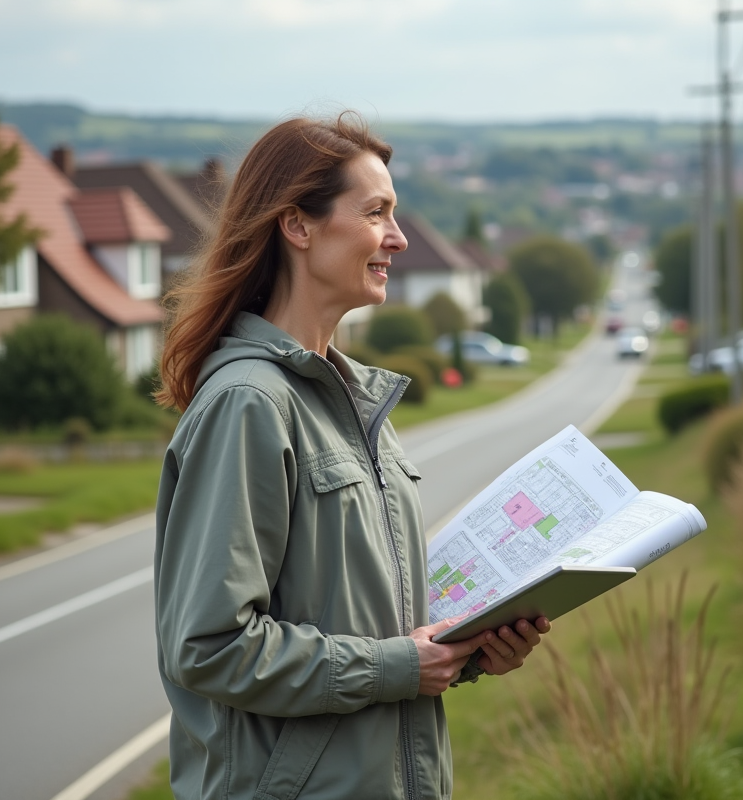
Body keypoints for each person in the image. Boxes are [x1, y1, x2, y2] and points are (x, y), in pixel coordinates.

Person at [152, 114, 550, 800]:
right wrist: (399, 666)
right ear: (298, 226)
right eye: (376, 213)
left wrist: (466, 652)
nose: (396, 238)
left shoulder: (356, 403)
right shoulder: (249, 404)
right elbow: (210, 647)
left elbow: (374, 632)